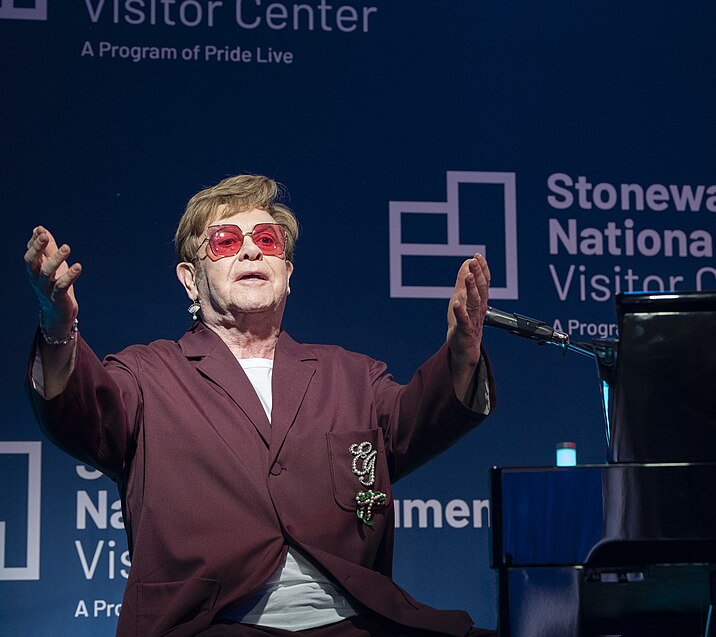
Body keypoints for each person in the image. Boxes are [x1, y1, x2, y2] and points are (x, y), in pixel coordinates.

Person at [24, 174, 496, 637]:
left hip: (354, 621)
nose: (251, 250)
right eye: (226, 241)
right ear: (190, 280)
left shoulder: (350, 375)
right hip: (209, 622)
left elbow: (419, 421)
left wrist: (460, 351)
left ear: (287, 274)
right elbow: (82, 414)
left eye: (267, 240)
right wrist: (59, 327)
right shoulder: (148, 374)